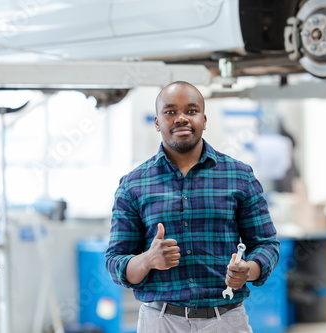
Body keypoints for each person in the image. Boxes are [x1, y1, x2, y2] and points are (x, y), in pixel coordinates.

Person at [105, 81, 280, 332]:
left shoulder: (239, 176)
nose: (181, 119)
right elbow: (115, 261)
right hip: (160, 321)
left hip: (225, 320)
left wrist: (248, 270)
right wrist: (147, 260)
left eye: (191, 110)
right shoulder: (133, 184)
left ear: (204, 120)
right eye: (170, 112)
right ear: (157, 122)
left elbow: (266, 244)